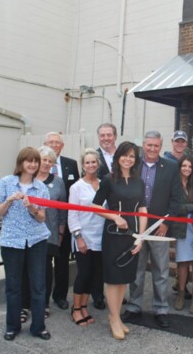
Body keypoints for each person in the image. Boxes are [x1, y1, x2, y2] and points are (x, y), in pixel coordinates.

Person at [121, 131, 182, 329]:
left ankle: (161, 309)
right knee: (136, 269)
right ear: (143, 145)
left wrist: (166, 223)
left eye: (156, 146)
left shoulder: (171, 167)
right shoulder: (132, 164)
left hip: (159, 227)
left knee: (161, 270)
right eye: (149, 145)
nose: (152, 149)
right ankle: (134, 306)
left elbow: (176, 198)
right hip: (136, 227)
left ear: (161, 145)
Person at [0, 147, 51, 341]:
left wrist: (32, 207)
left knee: (38, 285)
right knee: (13, 285)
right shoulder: (6, 183)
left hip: (36, 240)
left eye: (36, 161)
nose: (33, 164)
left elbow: (42, 218)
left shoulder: (41, 188)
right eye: (29, 161)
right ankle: (12, 326)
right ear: (21, 163)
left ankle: (38, 327)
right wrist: (9, 200)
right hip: (12, 241)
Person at [92, 141, 147, 340]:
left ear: (136, 160)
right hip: (114, 234)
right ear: (118, 158)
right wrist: (114, 217)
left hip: (132, 234)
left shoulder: (139, 182)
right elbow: (96, 206)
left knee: (124, 277)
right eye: (125, 155)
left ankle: (116, 316)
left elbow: (142, 210)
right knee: (113, 278)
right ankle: (114, 318)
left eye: (132, 156)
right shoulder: (108, 180)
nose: (128, 159)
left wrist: (141, 237)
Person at [21, 146, 67, 322]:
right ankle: (24, 305)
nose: (47, 163)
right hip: (26, 233)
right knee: (25, 270)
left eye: (50, 161)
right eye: (44, 160)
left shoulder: (58, 182)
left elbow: (62, 209)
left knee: (46, 271)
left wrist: (61, 231)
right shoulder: (27, 181)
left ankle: (43, 304)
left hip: (49, 234)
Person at [67, 149, 105, 327]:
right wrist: (78, 237)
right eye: (87, 162)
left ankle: (84, 306)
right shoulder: (76, 187)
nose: (91, 165)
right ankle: (75, 309)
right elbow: (72, 215)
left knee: (93, 275)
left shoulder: (104, 184)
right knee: (83, 273)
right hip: (84, 236)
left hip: (100, 237)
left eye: (93, 162)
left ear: (98, 164)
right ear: (83, 165)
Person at [44, 132, 80, 311]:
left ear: (62, 146)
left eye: (57, 142)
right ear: (44, 144)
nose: (54, 145)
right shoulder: (38, 163)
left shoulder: (71, 164)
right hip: (42, 221)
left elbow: (76, 191)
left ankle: (60, 296)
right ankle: (42, 299)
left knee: (62, 261)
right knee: (43, 262)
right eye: (51, 142)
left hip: (63, 220)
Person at [173, 155, 193, 313]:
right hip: (181, 227)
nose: (187, 169)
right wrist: (190, 207)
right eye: (184, 166)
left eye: (190, 167)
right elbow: (174, 207)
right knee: (183, 262)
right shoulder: (173, 183)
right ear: (179, 167)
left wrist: (187, 207)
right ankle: (181, 294)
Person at [93, 123, 117, 309]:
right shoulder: (94, 157)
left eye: (109, 135)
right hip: (100, 211)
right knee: (99, 255)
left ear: (115, 136)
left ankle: (116, 293)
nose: (106, 138)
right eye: (103, 135)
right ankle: (98, 294)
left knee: (116, 255)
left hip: (121, 211)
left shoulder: (124, 155)